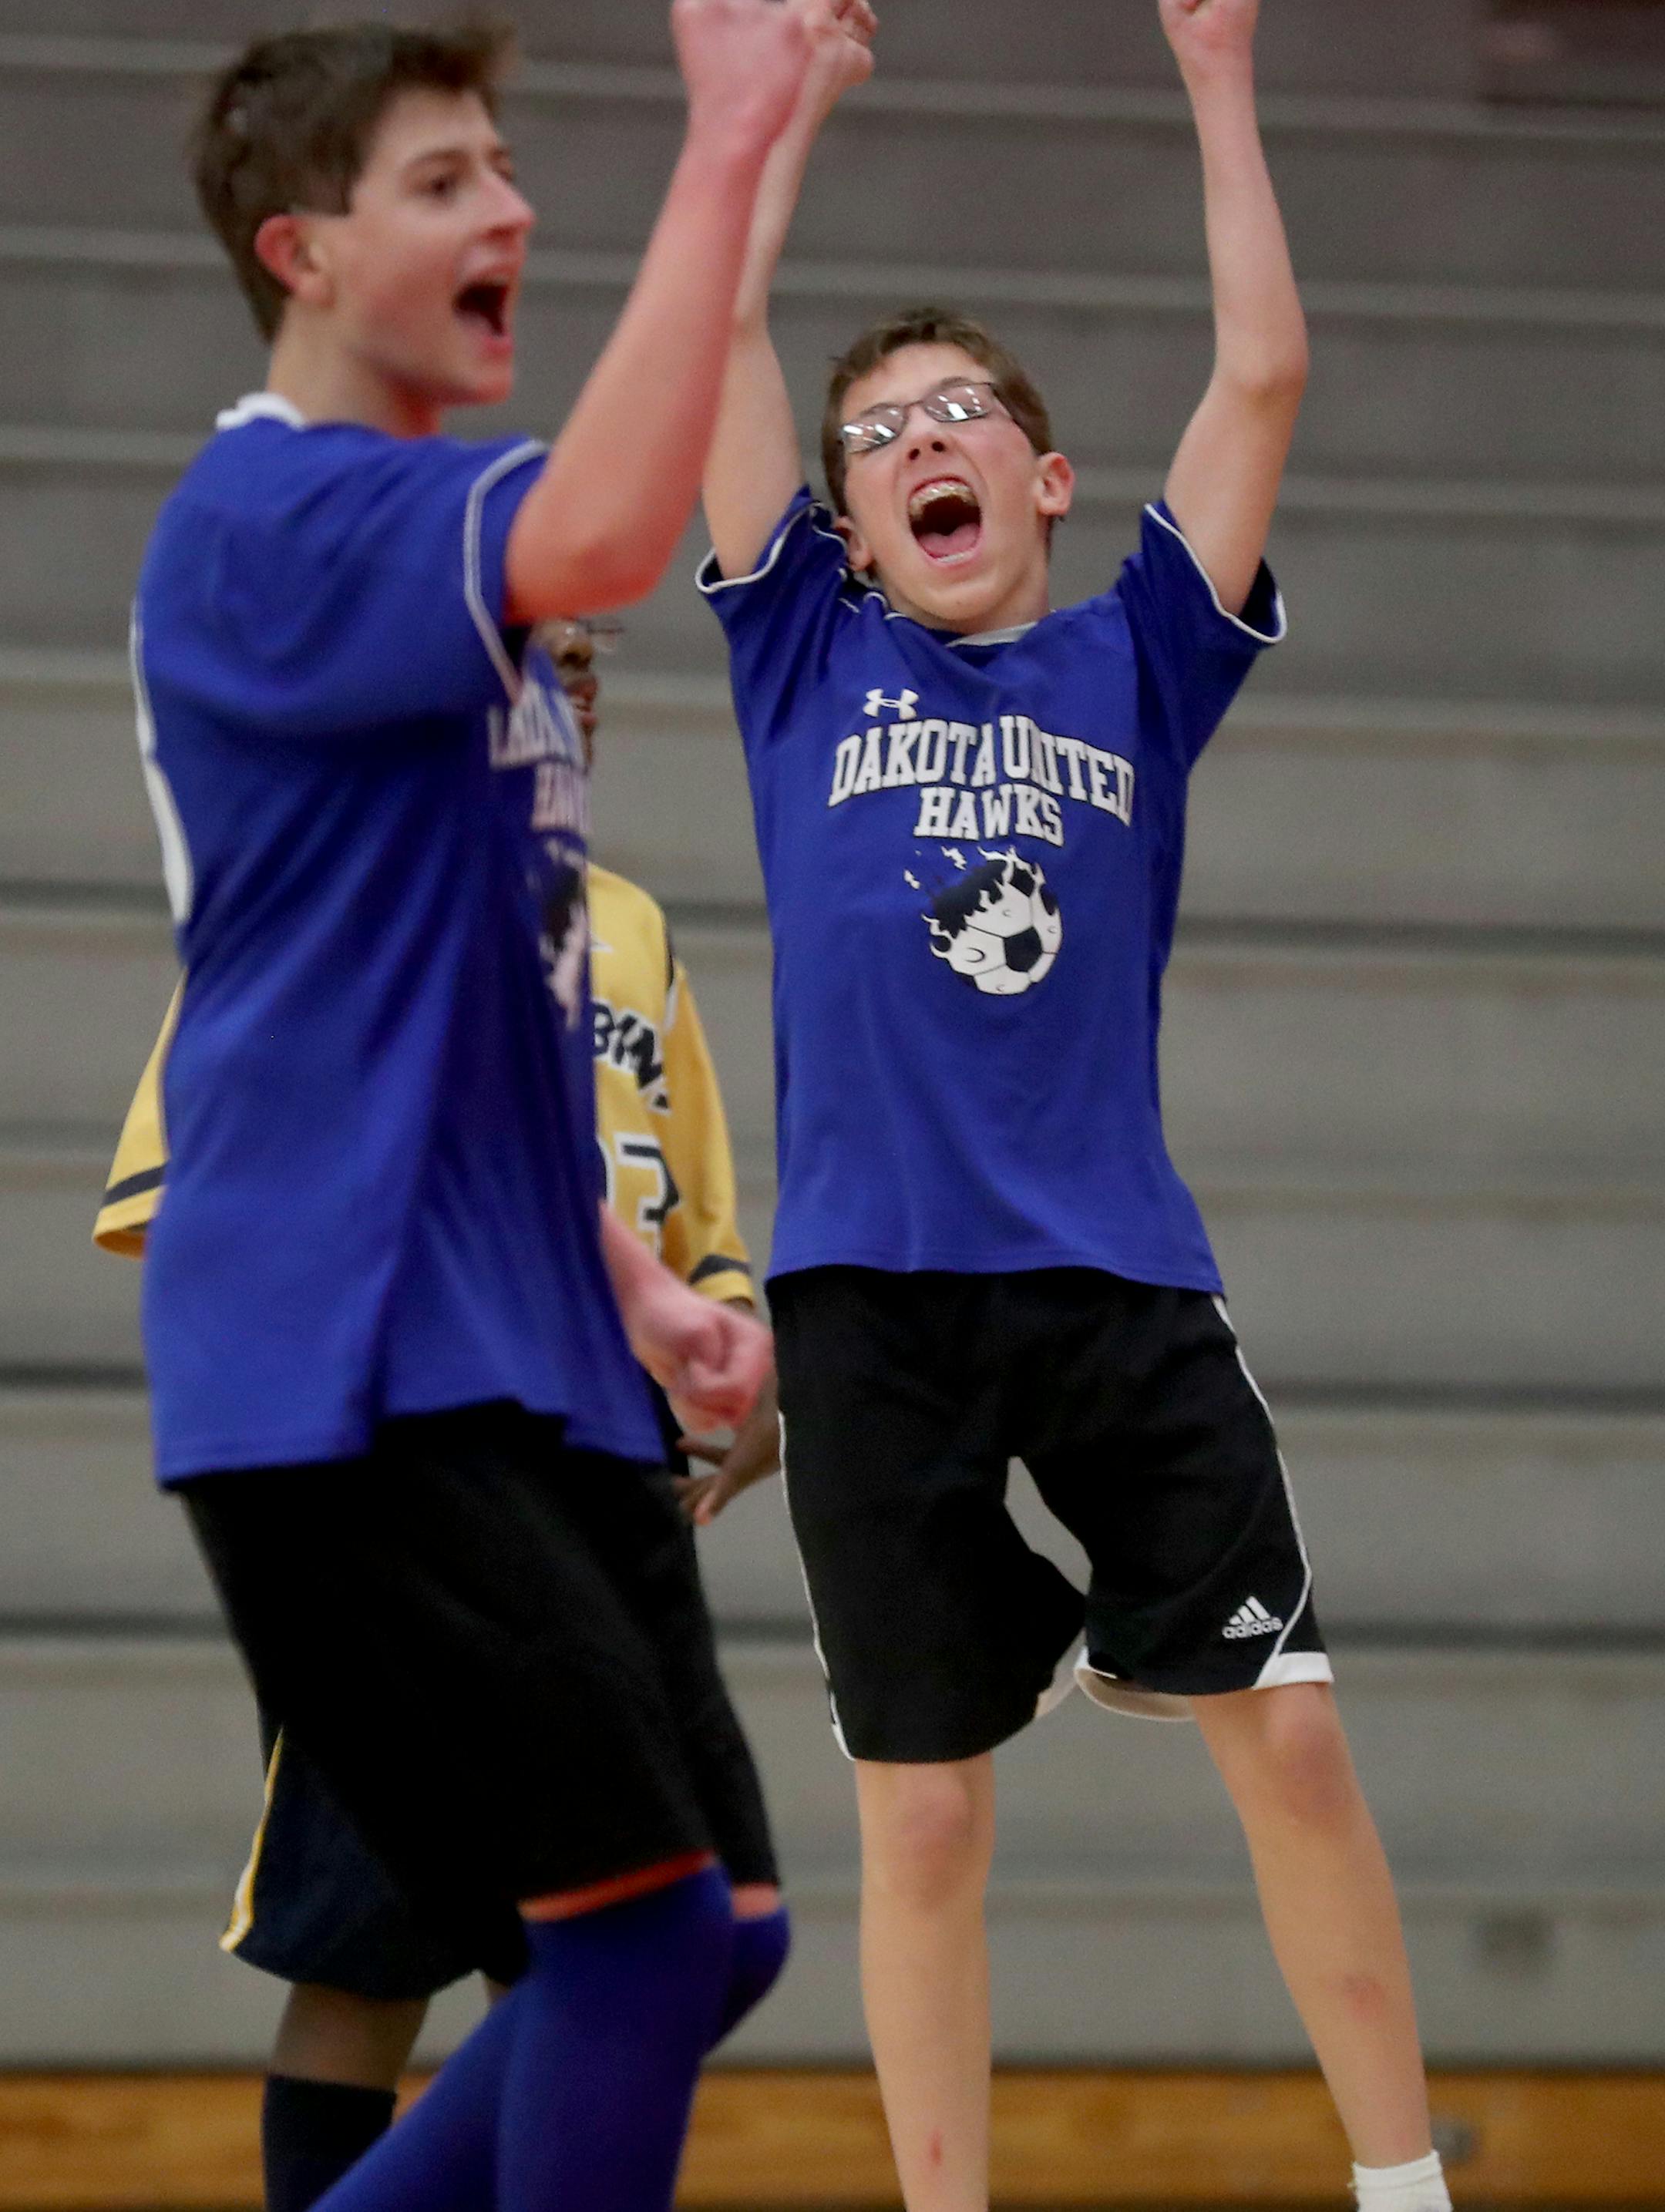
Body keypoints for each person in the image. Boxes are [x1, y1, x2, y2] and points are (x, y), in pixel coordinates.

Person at [697, 3, 1451, 2209]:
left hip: (1122, 1279)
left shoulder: (1138, 647)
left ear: (1039, 477)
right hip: (871, 1302)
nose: (920, 438)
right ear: (841, 520)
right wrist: (777, 108)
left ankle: (1402, 2186)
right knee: (921, 1809)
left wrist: (1217, 69)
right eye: (879, 433)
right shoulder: (801, 655)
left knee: (1292, 1731)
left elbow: (1265, 379)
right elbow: (721, 323)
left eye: (963, 415)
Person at [124, 8, 819, 2208]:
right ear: (302, 250)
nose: (510, 207)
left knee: (714, 1934)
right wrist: (731, 126)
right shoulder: (273, 513)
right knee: (621, 1940)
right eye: (448, 183)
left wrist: (634, 1272)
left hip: (520, 1334)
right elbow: (618, 518)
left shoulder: (447, 577)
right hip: (348, 1356)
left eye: (512, 169)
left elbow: (498, 1000)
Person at [96, 620, 789, 2212]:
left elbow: (697, 1222)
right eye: (529, 664)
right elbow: (186, 1189)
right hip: (406, 1449)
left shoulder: (628, 932)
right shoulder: (315, 884)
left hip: (609, 1455)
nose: (568, 694)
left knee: (644, 1943)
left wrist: (734, 1338)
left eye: (586, 671)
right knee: (371, 1940)